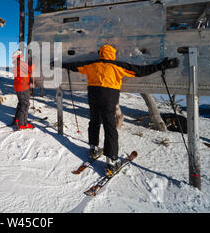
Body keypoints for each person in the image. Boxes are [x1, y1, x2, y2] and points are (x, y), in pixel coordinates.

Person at [62, 44, 179, 176]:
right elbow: (141, 71)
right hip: (109, 97)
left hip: (93, 95)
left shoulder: (91, 64)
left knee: (94, 121)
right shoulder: (118, 66)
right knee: (109, 126)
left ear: (101, 53)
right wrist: (161, 66)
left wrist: (58, 63)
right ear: (113, 54)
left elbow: (74, 65)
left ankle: (93, 149)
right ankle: (111, 161)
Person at [12, 50, 35, 129]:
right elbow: (30, 70)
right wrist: (33, 64)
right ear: (19, 56)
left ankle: (17, 119)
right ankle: (22, 123)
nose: (22, 56)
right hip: (23, 87)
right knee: (25, 104)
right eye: (21, 54)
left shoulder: (16, 64)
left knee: (21, 103)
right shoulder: (21, 63)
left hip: (18, 87)